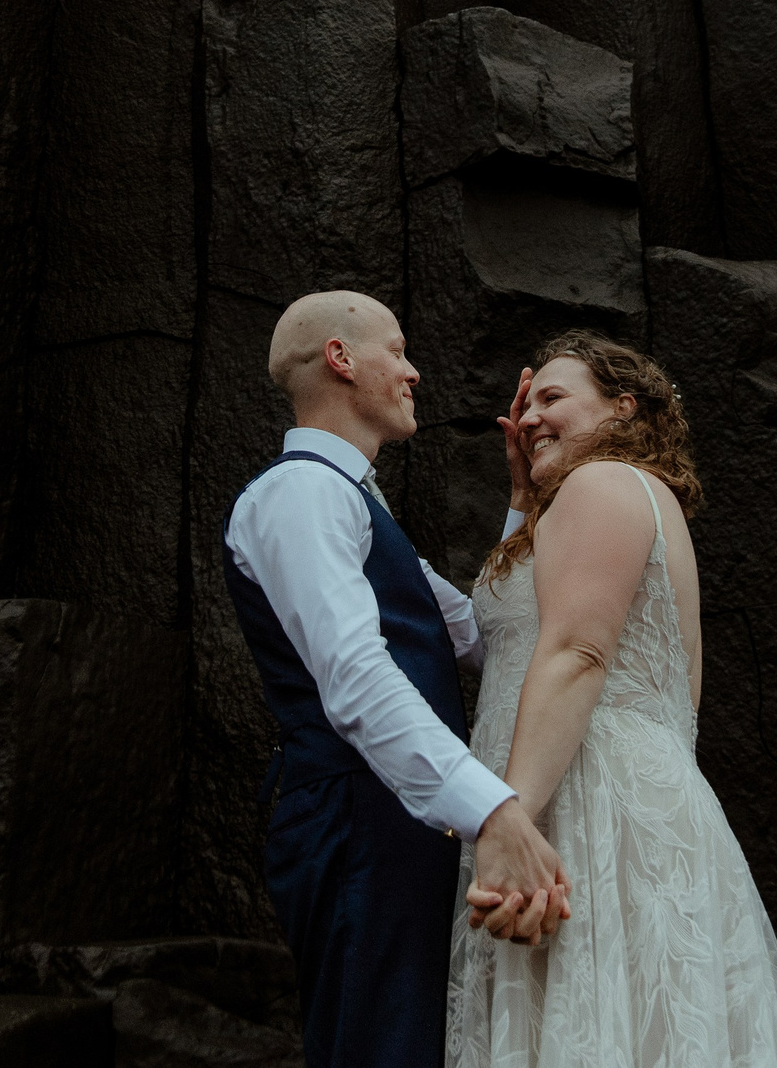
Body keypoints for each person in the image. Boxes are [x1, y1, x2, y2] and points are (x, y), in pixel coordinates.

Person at [221, 290, 573, 1068]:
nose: (414, 371)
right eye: (398, 349)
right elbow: (355, 677)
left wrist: (523, 506)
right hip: (355, 816)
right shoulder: (300, 492)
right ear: (342, 359)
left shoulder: (349, 499)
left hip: (395, 817)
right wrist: (492, 810)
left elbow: (478, 638)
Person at [447, 331, 777, 1068]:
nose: (531, 417)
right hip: (591, 789)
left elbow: (578, 652)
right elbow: (517, 629)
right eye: (528, 402)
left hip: (585, 801)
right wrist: (521, 500)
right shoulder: (587, 500)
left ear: (623, 407)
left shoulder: (604, 482)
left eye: (554, 398)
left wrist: (505, 814)